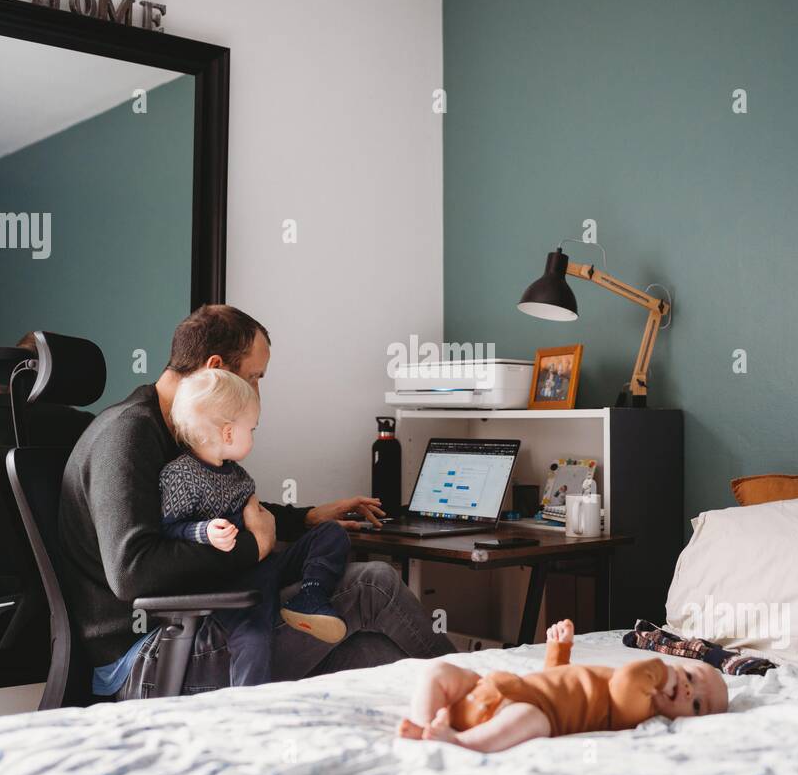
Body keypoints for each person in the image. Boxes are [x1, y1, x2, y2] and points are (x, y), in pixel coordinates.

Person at [59, 304, 455, 699]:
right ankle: (478, 691)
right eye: (254, 377)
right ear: (217, 367)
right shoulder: (128, 436)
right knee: (374, 584)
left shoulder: (180, 431)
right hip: (147, 657)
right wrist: (256, 547)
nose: (258, 392)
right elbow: (133, 572)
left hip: (193, 627)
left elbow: (225, 512)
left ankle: (455, 721)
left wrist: (307, 518)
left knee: (377, 653)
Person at [161, 367, 352, 667]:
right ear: (227, 432)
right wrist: (205, 531)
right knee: (253, 639)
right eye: (251, 429)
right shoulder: (181, 476)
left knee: (331, 533)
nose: (252, 435)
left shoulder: (238, 476)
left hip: (266, 565)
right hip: (233, 583)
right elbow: (169, 528)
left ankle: (311, 596)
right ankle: (248, 708)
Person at [396, 618, 728, 752]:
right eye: (690, 678)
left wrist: (665, 672)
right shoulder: (639, 688)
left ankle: (460, 741)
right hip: (501, 688)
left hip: (519, 711)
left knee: (534, 721)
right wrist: (560, 651)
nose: (688, 691)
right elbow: (554, 681)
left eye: (697, 704)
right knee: (436, 671)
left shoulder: (637, 708)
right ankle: (425, 725)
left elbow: (630, 677)